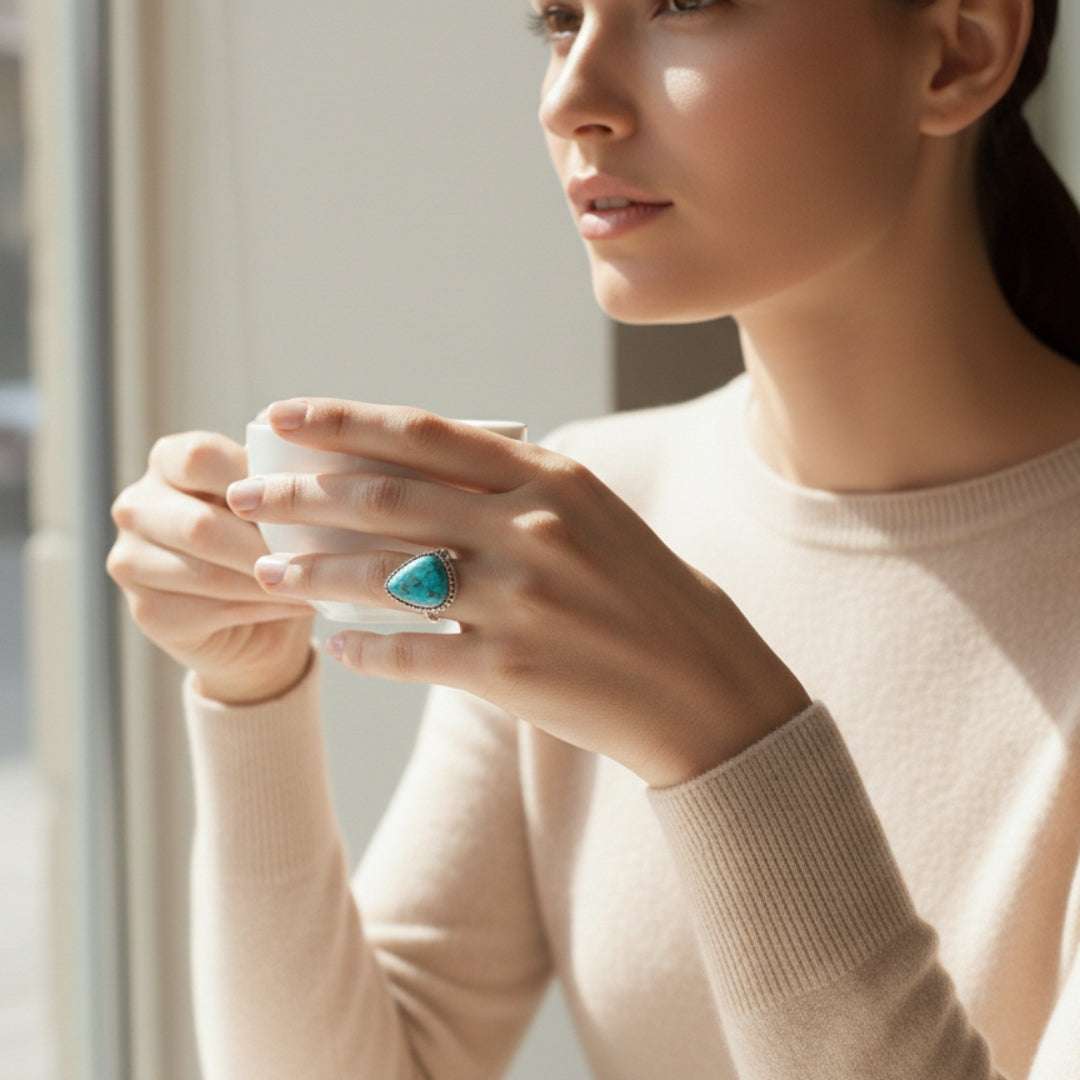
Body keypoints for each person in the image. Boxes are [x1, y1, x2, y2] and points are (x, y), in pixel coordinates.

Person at [107, 0, 1080, 1076]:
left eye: (685, 5)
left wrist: (729, 736)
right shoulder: (606, 507)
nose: (572, 98)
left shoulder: (592, 558)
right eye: (561, 22)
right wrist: (250, 695)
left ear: (959, 49)